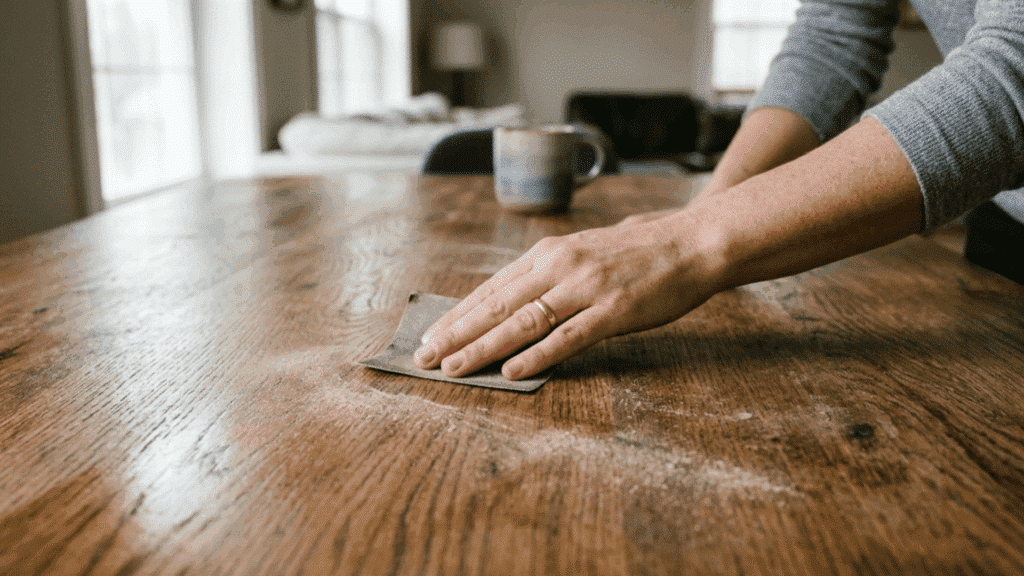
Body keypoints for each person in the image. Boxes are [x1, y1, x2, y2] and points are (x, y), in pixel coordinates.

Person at [413, 0, 1024, 381]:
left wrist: (686, 245)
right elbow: (836, 33)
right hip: (1003, 226)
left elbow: (1014, 68)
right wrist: (709, 211)